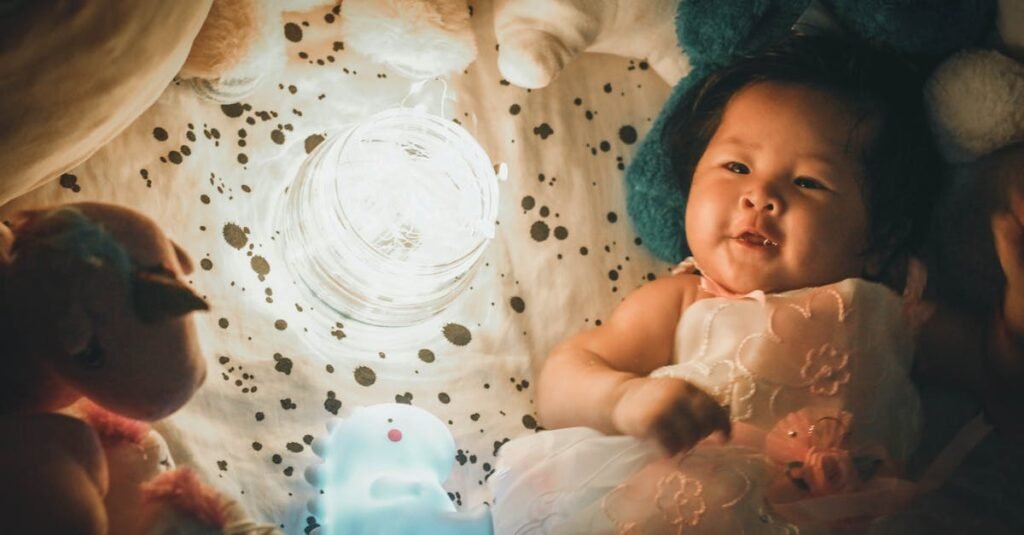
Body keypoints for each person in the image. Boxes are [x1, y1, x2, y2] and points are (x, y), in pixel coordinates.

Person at [488, 33, 1024, 534]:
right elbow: (562, 379)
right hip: (697, 507)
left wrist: (1014, 320)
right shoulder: (686, 297)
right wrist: (625, 398)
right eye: (735, 166)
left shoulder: (898, 309)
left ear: (879, 237)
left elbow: (995, 380)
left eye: (808, 182)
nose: (760, 196)